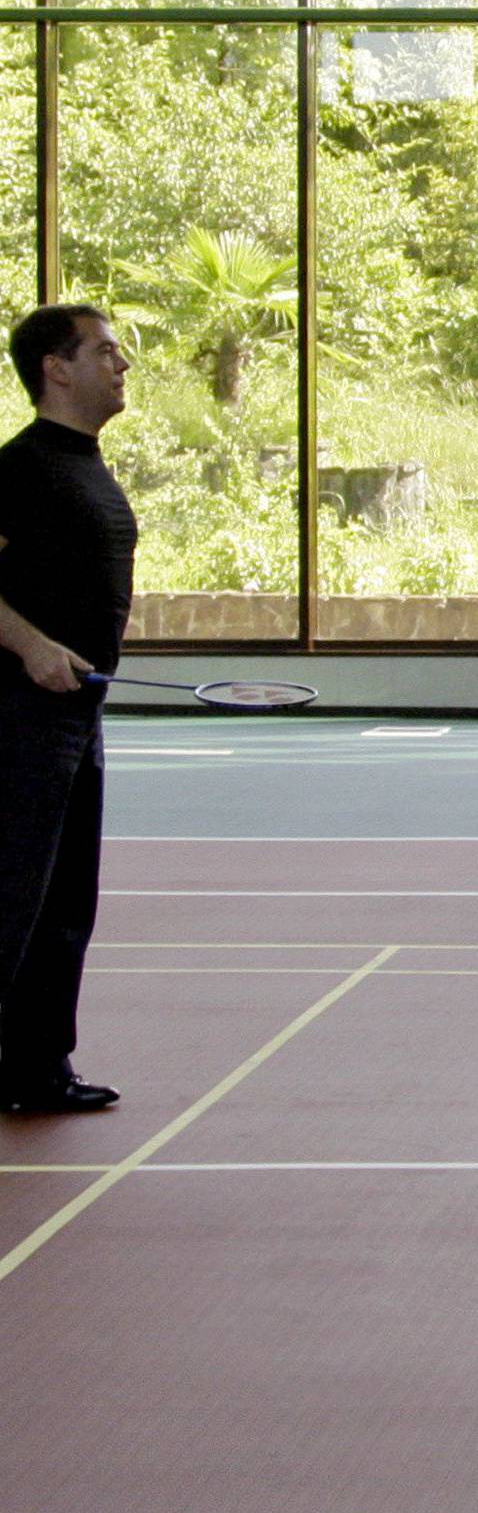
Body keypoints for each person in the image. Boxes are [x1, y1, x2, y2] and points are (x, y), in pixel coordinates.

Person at [0, 303, 136, 1113]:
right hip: (18, 715)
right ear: (57, 367)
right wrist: (28, 644)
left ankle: (36, 1067)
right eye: (106, 351)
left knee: (63, 905)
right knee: (11, 897)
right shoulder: (21, 468)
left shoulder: (87, 464)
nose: (123, 366)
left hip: (76, 718)